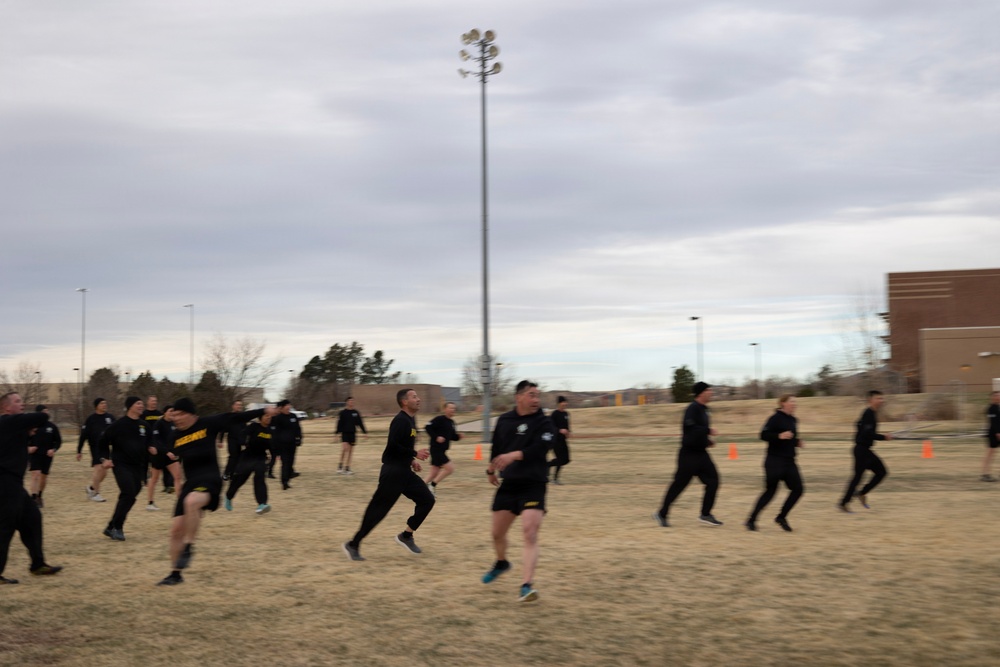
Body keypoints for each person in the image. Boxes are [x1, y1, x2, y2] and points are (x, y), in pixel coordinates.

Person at [156, 398, 272, 586]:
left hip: (209, 480)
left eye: (180, 414)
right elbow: (166, 457)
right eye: (174, 415)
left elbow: (236, 417)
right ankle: (175, 574)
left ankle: (189, 546)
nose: (176, 418)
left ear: (191, 414)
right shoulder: (175, 436)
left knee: (192, 501)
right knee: (176, 530)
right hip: (190, 483)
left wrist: (263, 411)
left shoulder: (208, 423)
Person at [480, 380, 556, 603]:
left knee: (529, 532)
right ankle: (502, 562)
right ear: (519, 397)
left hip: (534, 484)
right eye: (531, 395)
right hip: (510, 484)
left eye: (537, 395)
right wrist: (491, 469)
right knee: (497, 533)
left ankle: (526, 585)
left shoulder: (544, 422)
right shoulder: (505, 420)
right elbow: (497, 448)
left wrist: (513, 455)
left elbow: (541, 448)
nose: (536, 399)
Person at [343, 389, 433, 562]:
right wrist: (414, 453)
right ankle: (353, 544)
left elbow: (402, 446)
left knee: (427, 500)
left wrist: (411, 460)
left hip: (404, 472)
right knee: (378, 511)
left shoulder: (411, 420)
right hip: (392, 473)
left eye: (417, 396)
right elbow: (393, 446)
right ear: (404, 402)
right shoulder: (400, 420)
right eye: (414, 397)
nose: (419, 399)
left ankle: (406, 536)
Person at [0, 392, 62, 584]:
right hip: (4, 483)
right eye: (18, 401)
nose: (22, 404)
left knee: (33, 518)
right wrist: (41, 416)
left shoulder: (12, 426)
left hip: (14, 484)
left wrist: (27, 433)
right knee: (5, 527)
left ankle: (38, 564)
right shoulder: (7, 421)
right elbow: (42, 417)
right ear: (6, 407)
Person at [653, 382, 723, 527]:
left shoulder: (705, 409)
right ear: (701, 393)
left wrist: (707, 441)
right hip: (688, 455)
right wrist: (708, 431)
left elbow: (698, 433)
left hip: (701, 454)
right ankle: (662, 514)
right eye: (708, 390)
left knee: (713, 481)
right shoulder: (692, 409)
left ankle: (705, 514)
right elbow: (691, 429)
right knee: (679, 485)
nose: (711, 392)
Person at [746, 394, 804, 532]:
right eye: (791, 401)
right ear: (783, 403)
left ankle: (781, 517)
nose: (794, 404)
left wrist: (796, 442)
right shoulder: (775, 418)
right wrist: (779, 436)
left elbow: (790, 438)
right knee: (770, 492)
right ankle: (751, 520)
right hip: (774, 461)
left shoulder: (793, 420)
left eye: (795, 402)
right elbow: (763, 435)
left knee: (798, 489)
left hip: (789, 461)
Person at [96, 397, 151, 541]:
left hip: (137, 466)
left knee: (130, 495)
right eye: (138, 403)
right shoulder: (118, 425)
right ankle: (117, 527)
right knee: (128, 493)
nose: (141, 405)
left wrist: (148, 465)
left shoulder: (144, 426)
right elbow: (102, 441)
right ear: (130, 406)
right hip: (121, 464)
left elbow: (149, 446)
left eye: (142, 403)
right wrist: (104, 459)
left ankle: (110, 526)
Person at [839, 390, 893, 512]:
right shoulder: (868, 413)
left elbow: (858, 425)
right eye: (878, 398)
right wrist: (884, 437)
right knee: (875, 474)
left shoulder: (870, 413)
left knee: (875, 474)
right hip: (862, 451)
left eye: (882, 398)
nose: (881, 401)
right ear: (871, 400)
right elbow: (867, 433)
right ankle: (848, 501)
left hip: (863, 450)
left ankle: (854, 497)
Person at [224, 412, 274, 515]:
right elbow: (242, 435)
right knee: (239, 480)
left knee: (260, 479)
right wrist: (243, 442)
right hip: (248, 457)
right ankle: (229, 496)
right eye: (266, 416)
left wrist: (274, 456)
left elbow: (272, 446)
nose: (269, 418)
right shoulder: (254, 426)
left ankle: (262, 504)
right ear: (260, 418)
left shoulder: (270, 430)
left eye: (270, 416)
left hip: (260, 458)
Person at [76, 398, 116, 502]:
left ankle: (91, 488)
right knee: (98, 468)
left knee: (104, 472)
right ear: (96, 406)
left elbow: (117, 431)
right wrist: (79, 450)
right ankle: (96, 494)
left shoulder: (110, 417)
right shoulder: (91, 419)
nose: (104, 405)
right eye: (102, 403)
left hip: (106, 447)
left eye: (105, 403)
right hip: (95, 446)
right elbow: (83, 436)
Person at [147, 406, 182, 511]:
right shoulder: (158, 424)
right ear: (164, 412)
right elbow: (157, 441)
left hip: (171, 456)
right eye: (170, 411)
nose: (172, 413)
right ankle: (150, 503)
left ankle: (181, 503)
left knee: (178, 477)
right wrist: (166, 452)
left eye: (174, 411)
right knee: (154, 479)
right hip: (159, 456)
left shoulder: (174, 424)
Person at [423, 402, 462, 494]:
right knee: (450, 468)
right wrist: (436, 437)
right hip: (436, 449)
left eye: (454, 408)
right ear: (445, 409)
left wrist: (458, 437)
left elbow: (452, 436)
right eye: (451, 408)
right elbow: (427, 427)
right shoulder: (439, 419)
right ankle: (432, 485)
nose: (453, 410)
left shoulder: (452, 422)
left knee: (433, 473)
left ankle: (419, 489)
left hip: (442, 450)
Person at [28, 405, 61, 508]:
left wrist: (53, 449)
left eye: (47, 411)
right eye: (44, 411)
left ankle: (39, 496)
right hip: (35, 454)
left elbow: (58, 441)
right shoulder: (31, 425)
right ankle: (33, 498)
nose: (47, 413)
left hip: (47, 455)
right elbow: (23, 439)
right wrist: (29, 447)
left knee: (43, 476)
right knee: (35, 474)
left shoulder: (52, 426)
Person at [271, 400, 302, 490]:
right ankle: (284, 482)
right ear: (282, 407)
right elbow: (275, 433)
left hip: (292, 444)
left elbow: (298, 428)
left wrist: (299, 438)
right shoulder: (278, 418)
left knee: (291, 462)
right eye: (286, 405)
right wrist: (275, 446)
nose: (288, 407)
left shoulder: (293, 416)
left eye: (289, 405)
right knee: (285, 463)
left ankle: (288, 479)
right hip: (282, 445)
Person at [336, 397, 367, 475]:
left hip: (352, 433)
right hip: (345, 433)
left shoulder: (355, 412)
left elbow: (360, 423)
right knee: (345, 449)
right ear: (347, 402)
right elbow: (339, 423)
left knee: (350, 451)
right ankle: (340, 466)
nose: (351, 402)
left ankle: (347, 468)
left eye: (352, 401)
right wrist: (337, 433)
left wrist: (364, 432)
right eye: (350, 401)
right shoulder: (343, 412)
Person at [218, 399, 245, 481]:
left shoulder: (242, 417)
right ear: (233, 406)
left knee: (238, 458)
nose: (239, 406)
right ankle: (226, 473)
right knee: (233, 457)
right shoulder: (229, 417)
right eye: (237, 405)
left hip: (239, 441)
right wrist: (220, 441)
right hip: (232, 440)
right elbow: (223, 429)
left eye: (240, 405)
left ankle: (232, 474)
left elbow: (245, 429)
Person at [547, 396, 572, 485]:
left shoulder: (566, 414)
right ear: (559, 403)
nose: (565, 404)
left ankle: (548, 465)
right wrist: (559, 430)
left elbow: (567, 425)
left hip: (563, 440)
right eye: (563, 402)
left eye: (566, 402)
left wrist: (568, 432)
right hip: (555, 440)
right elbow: (551, 427)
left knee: (566, 459)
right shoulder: (554, 414)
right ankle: (555, 479)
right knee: (560, 459)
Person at [981, 391, 1000, 482]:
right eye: (997, 395)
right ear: (992, 397)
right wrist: (998, 432)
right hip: (993, 433)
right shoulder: (991, 408)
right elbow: (993, 422)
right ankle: (985, 474)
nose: (999, 397)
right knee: (990, 453)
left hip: (997, 432)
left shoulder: (997, 407)